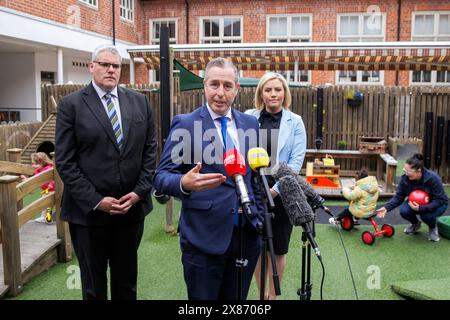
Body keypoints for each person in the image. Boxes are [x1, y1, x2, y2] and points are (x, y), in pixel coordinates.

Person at [153, 57, 264, 300]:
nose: (220, 93)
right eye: (214, 84)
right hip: (203, 239)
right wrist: (183, 183)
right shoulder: (186, 124)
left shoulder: (251, 124)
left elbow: (254, 178)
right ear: (205, 86)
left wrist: (258, 217)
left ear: (237, 88)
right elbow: (160, 177)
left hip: (245, 237)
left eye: (227, 86)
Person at [55, 44, 157, 300]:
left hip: (130, 211)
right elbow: (66, 162)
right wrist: (97, 201)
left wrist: (139, 192)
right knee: (93, 288)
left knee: (126, 285)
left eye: (116, 66)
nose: (111, 70)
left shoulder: (140, 102)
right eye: (105, 64)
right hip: (88, 215)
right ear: (92, 67)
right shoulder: (72, 105)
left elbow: (150, 151)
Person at [245, 72, 307, 300]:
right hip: (253, 192)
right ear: (261, 93)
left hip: (280, 195)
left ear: (285, 93)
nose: (273, 94)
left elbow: (295, 163)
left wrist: (274, 190)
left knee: (278, 248)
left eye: (277, 90)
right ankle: (262, 296)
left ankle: (274, 296)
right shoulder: (248, 117)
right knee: (259, 248)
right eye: (268, 89)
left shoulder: (296, 121)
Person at [377, 153, 448, 242]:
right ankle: (415, 224)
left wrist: (421, 208)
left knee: (426, 215)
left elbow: (440, 200)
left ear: (418, 170)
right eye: (404, 171)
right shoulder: (405, 179)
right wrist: (386, 207)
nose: (406, 174)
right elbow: (399, 197)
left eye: (408, 172)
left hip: (437, 204)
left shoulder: (433, 179)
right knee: (404, 211)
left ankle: (433, 228)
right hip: (416, 203)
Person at [20, 152, 55, 224]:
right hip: (45, 190)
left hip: (52, 190)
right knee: (44, 204)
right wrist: (25, 179)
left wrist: (51, 184)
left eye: (36, 164)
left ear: (43, 162)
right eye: (32, 164)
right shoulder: (37, 171)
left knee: (48, 205)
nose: (33, 166)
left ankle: (48, 218)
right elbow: (34, 179)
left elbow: (55, 177)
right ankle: (44, 217)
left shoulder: (49, 168)